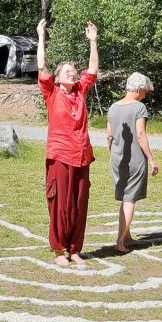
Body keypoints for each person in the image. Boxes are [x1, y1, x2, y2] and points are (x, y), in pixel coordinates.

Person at [36, 18, 99, 266]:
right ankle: (60, 250)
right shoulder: (51, 93)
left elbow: (92, 69)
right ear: (58, 77)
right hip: (60, 154)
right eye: (67, 71)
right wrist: (41, 37)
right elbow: (42, 66)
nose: (72, 72)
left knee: (79, 203)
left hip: (82, 154)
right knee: (60, 203)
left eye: (74, 70)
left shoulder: (80, 91)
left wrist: (93, 42)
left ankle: (75, 249)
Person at [107, 73, 158, 254]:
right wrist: (151, 159)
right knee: (130, 199)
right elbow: (141, 134)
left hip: (117, 159)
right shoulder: (139, 107)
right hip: (135, 159)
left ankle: (127, 236)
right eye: (144, 90)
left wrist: (112, 153)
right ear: (138, 89)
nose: (145, 94)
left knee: (126, 197)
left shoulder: (113, 107)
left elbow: (109, 136)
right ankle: (120, 242)